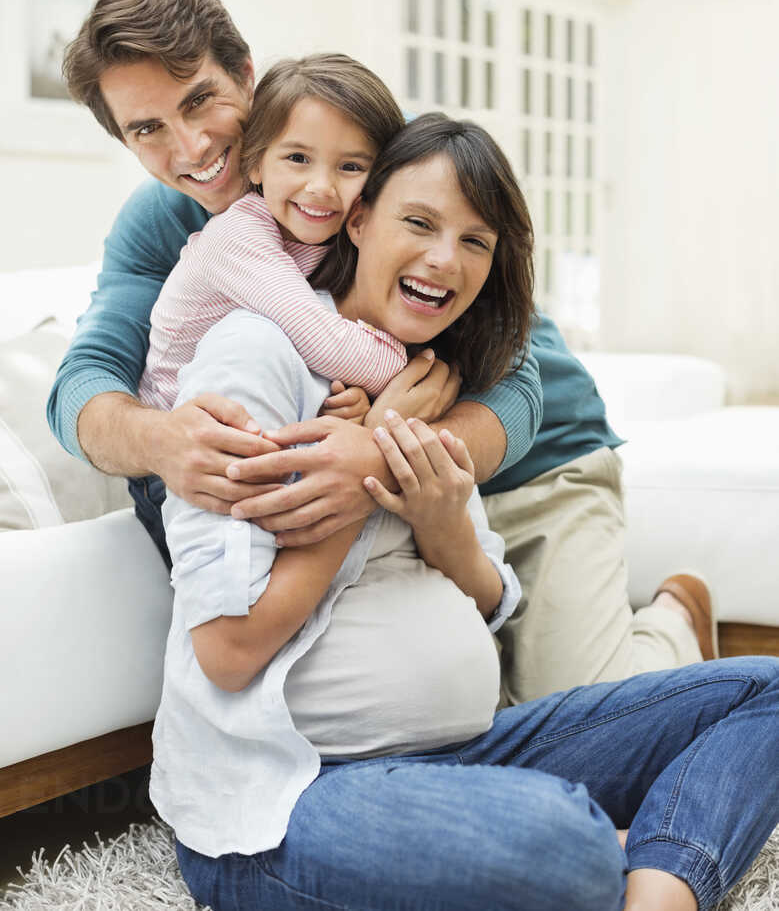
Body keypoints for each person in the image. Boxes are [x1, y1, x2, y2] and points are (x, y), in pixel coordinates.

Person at [150, 113, 779, 911]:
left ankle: (657, 892)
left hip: (466, 754)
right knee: (561, 844)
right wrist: (370, 460)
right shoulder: (255, 355)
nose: (445, 259)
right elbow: (227, 652)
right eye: (419, 223)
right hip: (292, 795)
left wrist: (442, 521)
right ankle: (615, 849)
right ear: (359, 218)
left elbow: (489, 603)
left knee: (764, 692)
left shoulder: (426, 372)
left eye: (475, 242)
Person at [49, 0, 709, 700]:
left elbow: (519, 384)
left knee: (591, 715)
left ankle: (674, 621)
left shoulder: (375, 160)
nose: (193, 145)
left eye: (201, 99)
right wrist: (164, 441)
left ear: (244, 73)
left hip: (534, 470)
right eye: (148, 129)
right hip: (390, 503)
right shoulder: (168, 227)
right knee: (472, 709)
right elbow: (83, 386)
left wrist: (378, 452)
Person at [139, 51, 409, 416]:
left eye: (350, 166)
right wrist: (410, 373)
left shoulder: (345, 237)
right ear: (255, 164)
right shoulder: (236, 238)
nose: (320, 187)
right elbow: (332, 347)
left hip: (267, 405)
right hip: (181, 434)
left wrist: (355, 394)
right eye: (297, 158)